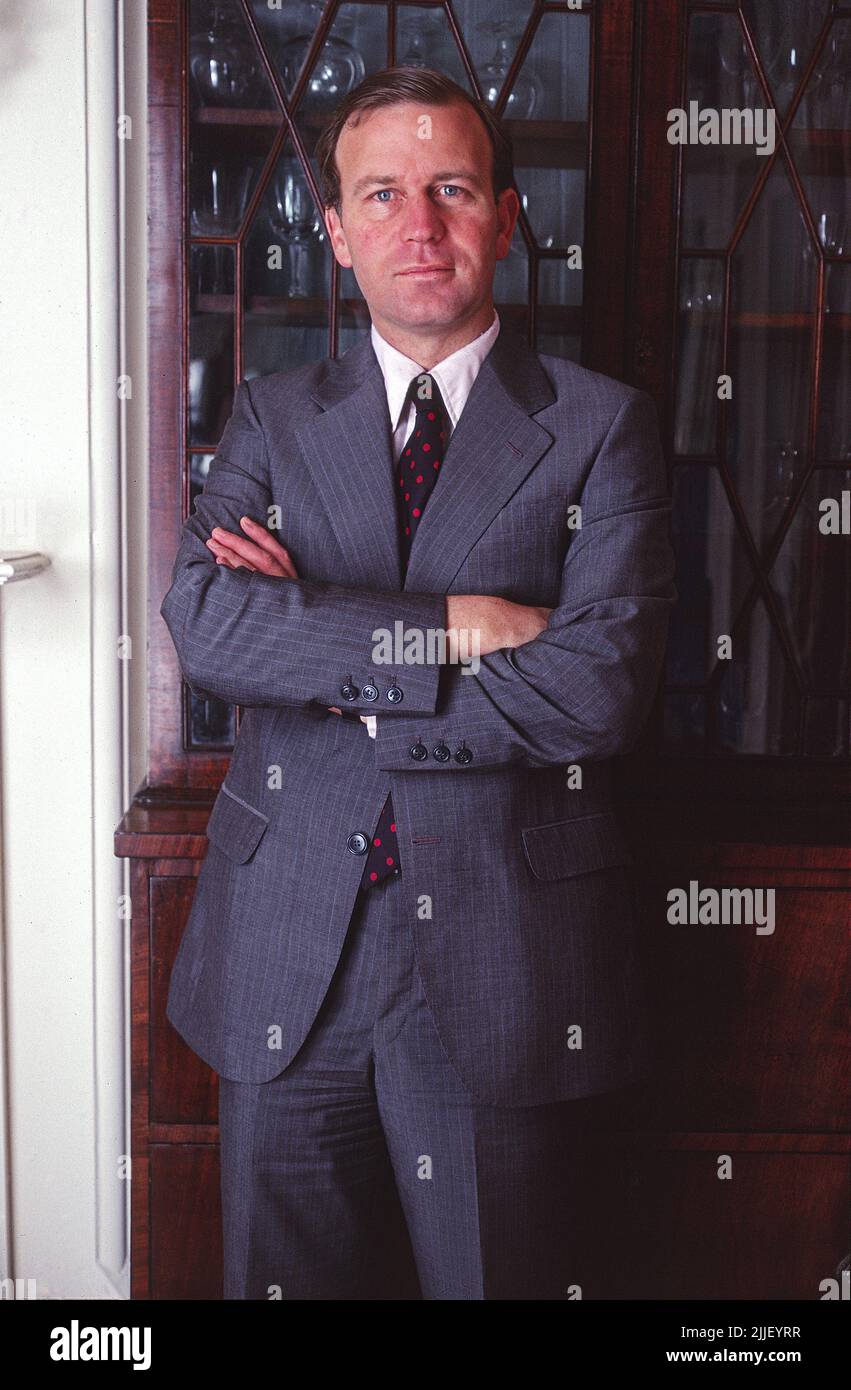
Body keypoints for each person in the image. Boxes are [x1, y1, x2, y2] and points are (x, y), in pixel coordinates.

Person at [161, 66, 677, 1300]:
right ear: (334, 234)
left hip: (501, 956)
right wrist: (454, 626)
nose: (420, 225)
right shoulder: (274, 416)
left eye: (449, 189)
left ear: (503, 216)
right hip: (287, 942)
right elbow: (211, 625)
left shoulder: (603, 427)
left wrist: (326, 654)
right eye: (380, 195)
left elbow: (591, 690)